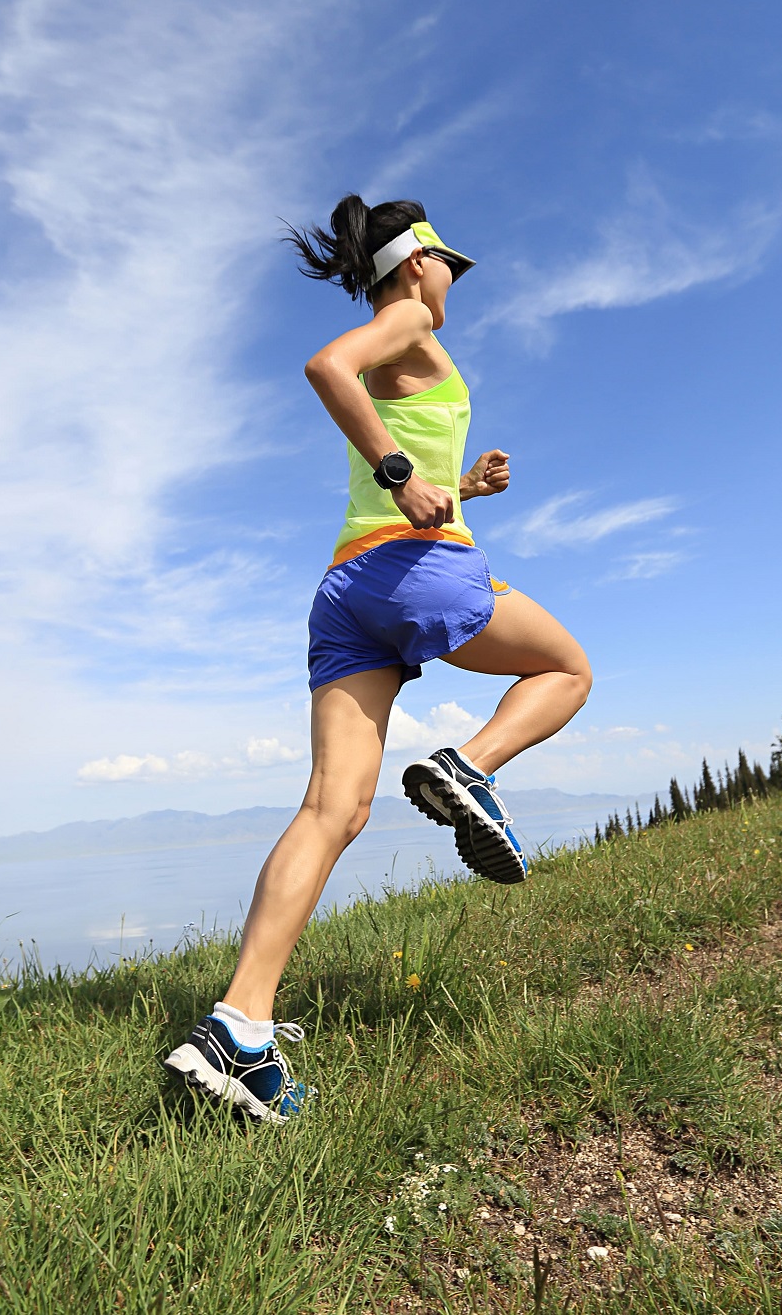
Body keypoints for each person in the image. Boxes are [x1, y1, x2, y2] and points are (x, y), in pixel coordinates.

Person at [162, 196, 592, 1121]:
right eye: (448, 266)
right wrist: (405, 473)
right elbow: (327, 366)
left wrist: (461, 484)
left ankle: (239, 1026)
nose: (453, 282)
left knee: (332, 807)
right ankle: (466, 767)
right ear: (414, 265)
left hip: (347, 593)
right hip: (414, 572)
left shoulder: (411, 344)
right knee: (567, 671)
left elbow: (408, 464)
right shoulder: (410, 317)